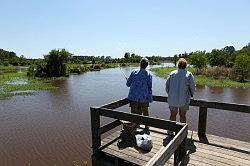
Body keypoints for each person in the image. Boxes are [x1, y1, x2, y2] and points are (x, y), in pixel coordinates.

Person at [165, 58, 195, 134]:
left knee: (173, 115)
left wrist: (170, 94)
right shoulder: (189, 74)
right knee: (183, 115)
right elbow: (193, 87)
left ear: (178, 65)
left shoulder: (172, 74)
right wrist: (191, 94)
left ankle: (170, 131)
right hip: (184, 100)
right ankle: (182, 132)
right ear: (185, 65)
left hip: (172, 99)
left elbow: (167, 86)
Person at [126, 58, 152, 130]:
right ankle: (147, 126)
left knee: (134, 112)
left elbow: (128, 84)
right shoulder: (149, 74)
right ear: (147, 65)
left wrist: (128, 80)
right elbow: (150, 86)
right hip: (144, 97)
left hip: (133, 97)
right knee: (145, 111)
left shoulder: (133, 72)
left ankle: (134, 127)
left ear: (140, 64)